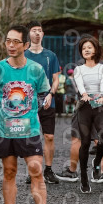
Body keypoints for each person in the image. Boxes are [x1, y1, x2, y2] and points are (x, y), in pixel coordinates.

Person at [0, 25, 60, 204]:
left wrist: (29, 112)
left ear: (25, 45)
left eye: (15, 41)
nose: (10, 45)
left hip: (29, 130)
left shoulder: (36, 69)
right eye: (8, 41)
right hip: (4, 131)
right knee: (9, 172)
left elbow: (44, 93)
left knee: (36, 171)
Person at [73, 36, 103, 193]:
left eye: (89, 47)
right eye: (83, 48)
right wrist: (83, 94)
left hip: (100, 105)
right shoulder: (78, 69)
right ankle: (83, 178)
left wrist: (102, 94)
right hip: (85, 106)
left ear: (95, 49)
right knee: (85, 142)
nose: (86, 50)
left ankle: (96, 162)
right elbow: (80, 84)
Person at [24, 21, 60, 185]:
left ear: (43, 34)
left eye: (40, 30)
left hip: (46, 99)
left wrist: (51, 94)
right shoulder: (23, 55)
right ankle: (32, 170)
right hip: (28, 101)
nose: (37, 33)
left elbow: (55, 79)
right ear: (29, 34)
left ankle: (49, 169)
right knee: (31, 137)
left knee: (49, 136)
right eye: (34, 30)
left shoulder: (50, 55)